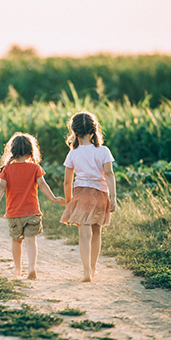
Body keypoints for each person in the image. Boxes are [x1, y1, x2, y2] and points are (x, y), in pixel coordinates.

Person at [0, 132, 65, 280]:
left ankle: (17, 270)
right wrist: (54, 198)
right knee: (31, 241)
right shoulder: (35, 168)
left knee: (16, 241)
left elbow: (0, 187)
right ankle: (32, 268)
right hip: (32, 212)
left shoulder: (7, 170)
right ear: (31, 152)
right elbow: (43, 184)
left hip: (14, 213)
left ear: (12, 152)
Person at [60, 111, 117, 282]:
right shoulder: (104, 151)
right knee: (96, 232)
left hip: (81, 195)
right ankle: (93, 268)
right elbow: (109, 174)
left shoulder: (73, 154)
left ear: (75, 134)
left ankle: (86, 271)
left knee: (84, 234)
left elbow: (67, 182)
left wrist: (70, 201)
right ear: (94, 131)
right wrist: (113, 196)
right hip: (100, 195)